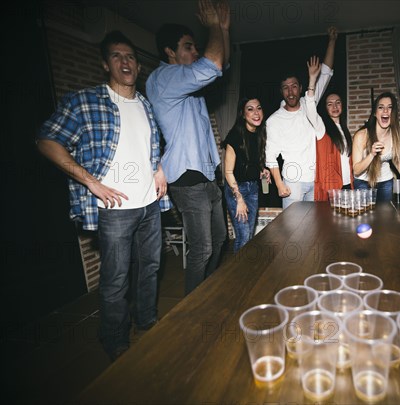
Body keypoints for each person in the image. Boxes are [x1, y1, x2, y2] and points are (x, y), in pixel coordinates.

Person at [37, 31, 170, 361]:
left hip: (149, 204)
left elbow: (149, 149)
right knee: (116, 279)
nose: (125, 62)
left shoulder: (145, 105)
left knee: (150, 268)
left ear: (138, 66)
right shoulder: (84, 101)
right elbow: (47, 141)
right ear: (104, 63)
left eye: (130, 57)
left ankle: (147, 321)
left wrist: (159, 168)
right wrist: (91, 182)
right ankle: (115, 339)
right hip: (115, 209)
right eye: (116, 56)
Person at [146, 0, 230, 295]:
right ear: (170, 51)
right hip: (185, 178)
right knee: (202, 248)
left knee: (219, 239)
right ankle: (192, 308)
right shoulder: (165, 78)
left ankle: (206, 290)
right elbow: (213, 64)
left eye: (195, 47)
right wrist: (212, 27)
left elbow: (219, 65)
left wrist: (223, 30)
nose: (195, 52)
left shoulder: (186, 83)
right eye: (188, 47)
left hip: (206, 175)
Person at [265, 27, 337, 209]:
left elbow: (326, 73)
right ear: (281, 91)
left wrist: (332, 41)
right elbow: (270, 156)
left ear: (300, 87)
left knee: (313, 227)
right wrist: (280, 184)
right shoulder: (274, 120)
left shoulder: (308, 102)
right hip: (292, 182)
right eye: (286, 87)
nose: (290, 92)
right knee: (293, 230)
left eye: (294, 86)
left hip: (315, 179)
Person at [222, 97, 270, 253]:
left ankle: (241, 271)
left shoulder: (260, 133)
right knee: (243, 236)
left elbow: (252, 160)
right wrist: (239, 198)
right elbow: (228, 172)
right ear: (243, 114)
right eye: (250, 109)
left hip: (253, 188)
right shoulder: (235, 135)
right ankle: (237, 275)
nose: (256, 113)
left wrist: (262, 170)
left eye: (259, 108)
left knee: (249, 235)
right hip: (236, 189)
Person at [352, 92, 400, 202]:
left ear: (393, 113)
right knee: (365, 217)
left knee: (385, 217)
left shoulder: (397, 133)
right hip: (363, 182)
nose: (386, 111)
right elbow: (356, 170)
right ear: (375, 113)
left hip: (386, 181)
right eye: (381, 107)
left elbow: (395, 158)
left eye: (390, 107)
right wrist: (372, 154)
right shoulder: (362, 136)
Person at [313, 92, 354, 201]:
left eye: (338, 103)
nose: (334, 107)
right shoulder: (321, 128)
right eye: (330, 104)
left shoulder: (344, 130)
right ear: (325, 108)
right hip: (333, 187)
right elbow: (310, 110)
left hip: (348, 184)